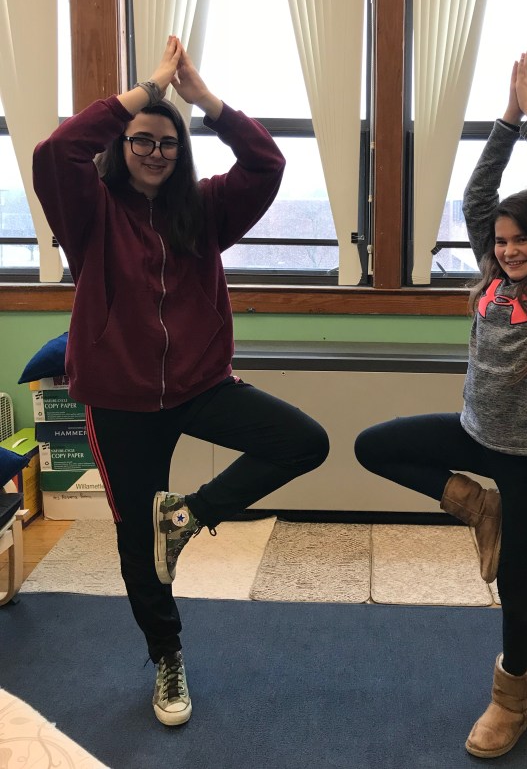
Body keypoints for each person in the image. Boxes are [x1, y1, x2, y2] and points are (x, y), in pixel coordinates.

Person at [33, 36, 329, 727]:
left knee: (302, 441)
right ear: (120, 142)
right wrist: (146, 90)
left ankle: (190, 513)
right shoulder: (90, 210)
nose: (155, 152)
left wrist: (203, 101)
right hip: (118, 398)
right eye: (141, 140)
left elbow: (268, 162)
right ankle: (167, 655)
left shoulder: (204, 207)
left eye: (167, 143)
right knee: (136, 540)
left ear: (181, 152)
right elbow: (55, 153)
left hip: (199, 383)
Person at [355, 50, 527, 759]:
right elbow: (474, 199)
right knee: (375, 445)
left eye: (519, 240)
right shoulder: (493, 277)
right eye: (499, 242)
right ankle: (476, 505)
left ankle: (512, 701)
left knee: (518, 591)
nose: (506, 250)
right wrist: (500, 120)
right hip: (476, 436)